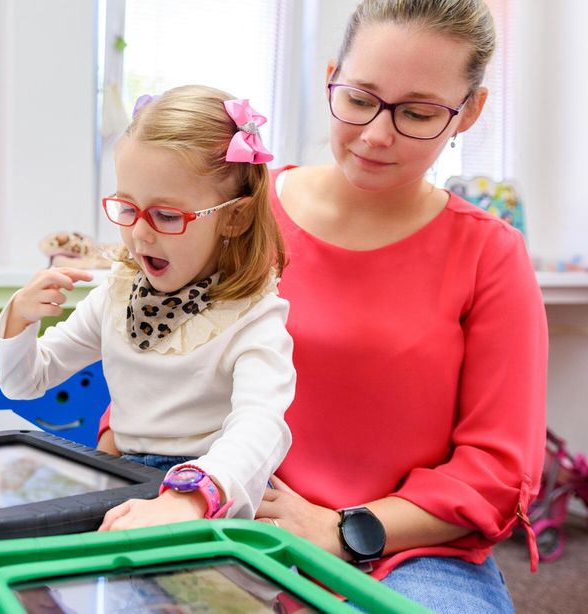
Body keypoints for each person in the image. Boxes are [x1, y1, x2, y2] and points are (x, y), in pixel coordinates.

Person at [99, 1, 546, 611]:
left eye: (417, 112)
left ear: (469, 112)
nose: (376, 134)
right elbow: (157, 351)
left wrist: (345, 528)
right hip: (217, 507)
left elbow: (497, 466)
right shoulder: (242, 215)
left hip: (405, 550)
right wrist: (126, 455)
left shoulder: (488, 254)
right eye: (360, 99)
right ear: (332, 76)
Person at [0, 85, 296, 531]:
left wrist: (193, 496)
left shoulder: (253, 316)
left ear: (235, 216)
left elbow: (260, 428)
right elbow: (25, 382)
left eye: (167, 216)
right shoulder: (117, 296)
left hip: (214, 490)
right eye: (127, 208)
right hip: (125, 479)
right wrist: (20, 318)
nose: (140, 234)